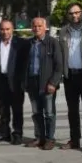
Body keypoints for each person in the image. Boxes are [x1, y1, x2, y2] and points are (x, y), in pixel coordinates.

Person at [58, 2, 82, 152]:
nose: (74, 16)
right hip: (70, 77)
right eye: (71, 13)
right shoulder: (63, 32)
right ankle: (74, 140)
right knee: (72, 111)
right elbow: (60, 54)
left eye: (77, 12)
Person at [22, 17, 63, 150]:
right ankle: (39, 137)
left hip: (47, 84)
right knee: (36, 112)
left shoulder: (52, 42)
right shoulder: (29, 43)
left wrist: (53, 82)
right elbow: (24, 65)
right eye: (34, 26)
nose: (37, 28)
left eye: (39, 26)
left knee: (49, 113)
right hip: (32, 83)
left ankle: (50, 139)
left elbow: (59, 65)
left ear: (45, 27)